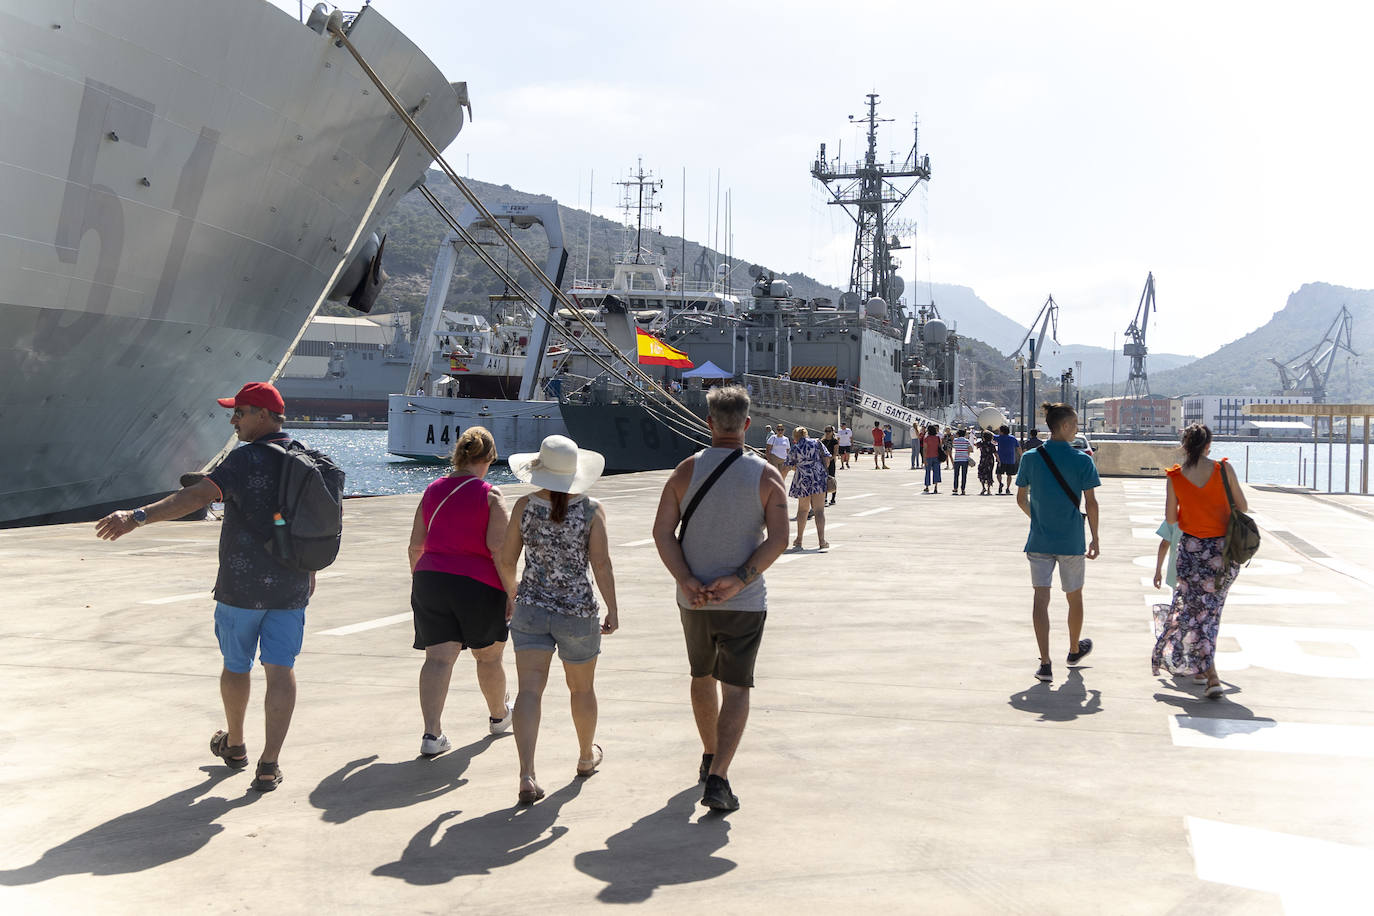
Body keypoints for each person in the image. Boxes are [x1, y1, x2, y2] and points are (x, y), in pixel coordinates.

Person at [94, 382, 335, 792]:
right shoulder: (308, 459)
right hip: (292, 585)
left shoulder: (245, 459)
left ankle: (236, 744)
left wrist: (136, 516)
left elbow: (195, 497)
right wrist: (309, 568)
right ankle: (269, 764)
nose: (233, 419)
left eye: (239, 412)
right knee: (281, 670)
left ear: (262, 415)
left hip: (241, 586)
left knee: (236, 665)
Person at [652, 385, 789, 812]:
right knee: (737, 688)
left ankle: (709, 754)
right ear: (748, 424)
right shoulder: (767, 476)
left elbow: (661, 533)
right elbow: (780, 539)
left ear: (709, 423)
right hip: (744, 602)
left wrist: (688, 579)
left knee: (701, 675)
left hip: (693, 601)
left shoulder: (683, 471)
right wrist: (740, 579)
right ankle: (719, 778)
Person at [495, 435, 618, 804]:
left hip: (531, 610)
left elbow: (506, 560)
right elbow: (601, 563)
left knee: (529, 691)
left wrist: (513, 595)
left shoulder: (523, 507)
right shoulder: (592, 510)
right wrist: (612, 608)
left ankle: (527, 774)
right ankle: (584, 757)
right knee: (581, 689)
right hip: (577, 612)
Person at [406, 427, 513, 760]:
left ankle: (431, 734)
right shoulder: (491, 494)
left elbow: (414, 546)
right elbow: (499, 548)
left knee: (438, 658)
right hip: (478, 584)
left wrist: (423, 581)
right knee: (489, 656)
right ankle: (498, 716)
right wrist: (511, 590)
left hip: (431, 579)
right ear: (489, 459)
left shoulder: (432, 490)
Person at [1151, 424, 1247, 698]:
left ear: (1185, 445)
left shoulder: (1176, 476)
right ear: (1208, 445)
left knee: (1194, 612)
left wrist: (1192, 509)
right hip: (1221, 552)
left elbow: (1171, 520)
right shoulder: (1223, 469)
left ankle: (1206, 671)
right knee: (1211, 612)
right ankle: (1210, 673)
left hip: (1191, 551)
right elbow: (1243, 506)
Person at [1015, 403, 1101, 683]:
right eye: (1075, 424)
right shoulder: (1082, 460)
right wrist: (1095, 537)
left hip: (1039, 539)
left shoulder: (1030, 457)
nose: (1077, 429)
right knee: (1073, 597)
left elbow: (1020, 499)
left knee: (1041, 599)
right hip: (1072, 539)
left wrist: (1038, 517)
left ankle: (1045, 663)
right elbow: (1091, 502)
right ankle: (1074, 651)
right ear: (1064, 426)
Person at [786, 426, 831, 550]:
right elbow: (827, 459)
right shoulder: (817, 443)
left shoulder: (795, 447)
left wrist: (801, 468)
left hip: (802, 479)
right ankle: (822, 541)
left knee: (803, 510)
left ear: (795, 437)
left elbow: (790, 465)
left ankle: (799, 541)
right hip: (818, 477)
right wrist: (820, 469)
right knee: (819, 511)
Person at [994, 425, 1021, 495]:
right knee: (1009, 475)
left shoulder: (999, 438)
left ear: (1002, 432)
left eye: (999, 430)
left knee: (998, 474)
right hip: (1011, 459)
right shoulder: (1013, 438)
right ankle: (1008, 488)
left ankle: (1000, 483)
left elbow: (990, 435)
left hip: (1001, 459)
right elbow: (1018, 448)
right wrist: (1021, 456)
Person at [820, 426, 840, 506]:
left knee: (831, 479)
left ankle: (833, 498)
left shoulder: (834, 441)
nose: (827, 432)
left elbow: (835, 453)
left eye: (829, 431)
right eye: (826, 431)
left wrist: (829, 459)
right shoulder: (823, 441)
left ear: (832, 432)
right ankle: (824, 498)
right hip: (823, 462)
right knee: (823, 480)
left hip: (831, 462)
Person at [921, 424, 943, 493]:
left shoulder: (926, 439)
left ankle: (927, 486)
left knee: (927, 472)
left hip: (928, 457)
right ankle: (935, 487)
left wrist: (924, 459)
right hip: (936, 456)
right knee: (936, 472)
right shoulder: (937, 438)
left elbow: (924, 449)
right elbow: (940, 447)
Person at [950, 427, 972, 495]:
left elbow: (954, 446)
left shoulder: (955, 441)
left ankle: (955, 488)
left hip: (957, 459)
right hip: (964, 459)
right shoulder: (966, 441)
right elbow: (971, 449)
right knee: (964, 475)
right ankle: (963, 489)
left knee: (956, 475)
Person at [976, 429, 998, 495]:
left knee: (981, 473)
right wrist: (998, 460)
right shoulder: (992, 445)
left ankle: (983, 487)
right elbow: (995, 453)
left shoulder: (981, 444)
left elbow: (976, 445)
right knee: (989, 473)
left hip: (983, 459)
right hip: (990, 460)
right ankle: (988, 489)